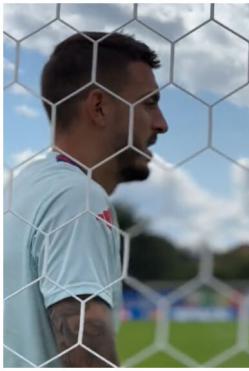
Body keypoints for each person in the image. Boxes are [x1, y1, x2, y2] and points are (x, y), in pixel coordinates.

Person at [4, 31, 168, 367]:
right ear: (99, 107)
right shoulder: (77, 197)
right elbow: (86, 346)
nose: (161, 124)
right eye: (149, 103)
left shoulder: (21, 189)